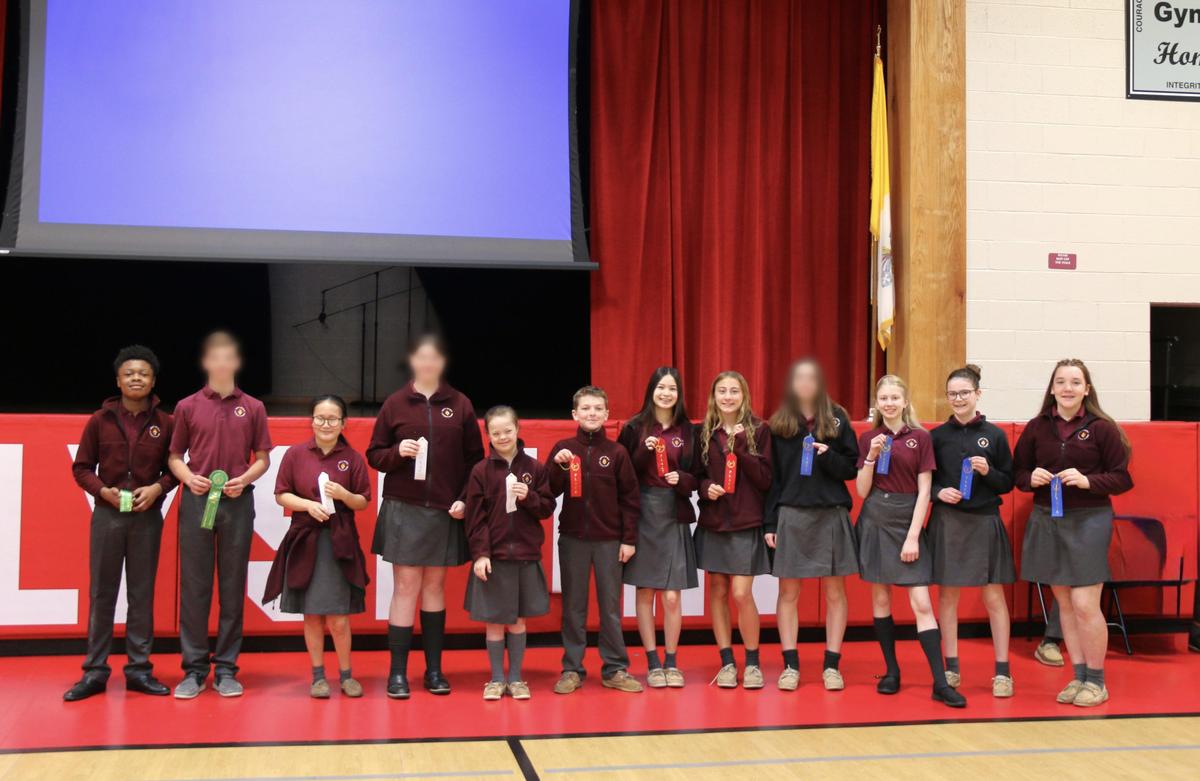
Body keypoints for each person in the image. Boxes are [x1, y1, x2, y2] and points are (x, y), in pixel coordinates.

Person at [367, 334, 484, 699]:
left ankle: (434, 671)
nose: (428, 363)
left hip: (444, 510)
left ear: (442, 362)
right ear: (412, 361)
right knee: (405, 587)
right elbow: (375, 454)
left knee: (434, 587)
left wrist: (463, 499)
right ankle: (397, 673)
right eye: (422, 357)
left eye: (435, 357)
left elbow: (475, 462)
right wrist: (397, 452)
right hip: (404, 508)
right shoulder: (395, 403)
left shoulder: (461, 404)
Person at [1015, 358, 1133, 707]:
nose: (1068, 388)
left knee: (1084, 603)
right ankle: (1078, 676)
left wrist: (1088, 481)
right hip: (1047, 519)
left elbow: (1122, 478)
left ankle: (1097, 681)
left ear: (1086, 389)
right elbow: (1017, 473)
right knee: (1064, 603)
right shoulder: (1037, 427)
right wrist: (1030, 478)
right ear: (1052, 389)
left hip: (1089, 520)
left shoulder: (1102, 429)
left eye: (1075, 382)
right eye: (1061, 382)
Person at [64, 346, 177, 701]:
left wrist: (157, 489)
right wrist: (103, 491)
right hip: (108, 516)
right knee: (102, 593)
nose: (136, 379)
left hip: (147, 517)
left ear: (153, 381)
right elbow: (81, 468)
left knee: (141, 594)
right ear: (118, 380)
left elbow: (176, 469)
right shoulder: (100, 420)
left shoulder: (167, 423)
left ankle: (139, 670)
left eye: (143, 373)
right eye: (129, 374)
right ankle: (95, 672)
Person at [169, 331, 272, 699]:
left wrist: (245, 479)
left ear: (237, 363)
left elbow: (263, 458)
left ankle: (227, 668)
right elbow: (174, 456)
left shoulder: (254, 407)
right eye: (216, 357)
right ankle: (194, 670)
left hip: (237, 503)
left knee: (232, 587)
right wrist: (188, 478)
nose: (222, 363)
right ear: (206, 363)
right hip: (198, 501)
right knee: (194, 587)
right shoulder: (187, 406)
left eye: (229, 357)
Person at [856, 374, 966, 708]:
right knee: (880, 598)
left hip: (907, 521)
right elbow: (862, 491)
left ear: (905, 402)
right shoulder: (869, 438)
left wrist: (913, 537)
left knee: (921, 603)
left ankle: (940, 683)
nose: (889, 403)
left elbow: (924, 491)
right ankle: (891, 671)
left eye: (894, 398)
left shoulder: (920, 438)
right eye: (883, 398)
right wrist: (872, 457)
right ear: (877, 404)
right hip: (875, 519)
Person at [263, 395, 370, 699]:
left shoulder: (353, 457)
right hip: (305, 540)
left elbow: (362, 501)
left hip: (339, 542)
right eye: (320, 418)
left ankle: (347, 676)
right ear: (311, 421)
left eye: (332, 419)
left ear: (343, 423)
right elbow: (281, 494)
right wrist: (308, 505)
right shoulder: (296, 454)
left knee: (338, 617)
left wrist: (344, 495)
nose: (326, 424)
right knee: (311, 615)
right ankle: (318, 676)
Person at [764, 358, 858, 692]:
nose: (805, 383)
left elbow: (851, 468)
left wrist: (828, 455)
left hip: (830, 513)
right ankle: (790, 665)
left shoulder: (838, 418)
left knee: (835, 592)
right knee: (788, 592)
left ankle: (832, 666)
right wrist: (770, 522)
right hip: (791, 515)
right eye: (799, 378)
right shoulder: (779, 424)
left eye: (811, 378)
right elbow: (772, 479)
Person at [546, 386, 644, 694]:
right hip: (573, 539)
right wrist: (557, 466)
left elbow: (630, 500)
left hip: (609, 542)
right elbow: (549, 491)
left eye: (597, 409)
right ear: (574, 414)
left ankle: (614, 668)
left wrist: (628, 539)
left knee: (610, 608)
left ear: (606, 414)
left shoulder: (617, 453)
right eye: (586, 409)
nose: (592, 413)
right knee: (573, 607)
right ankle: (572, 669)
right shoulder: (563, 448)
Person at [929, 365, 1016, 698]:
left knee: (994, 596)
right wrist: (939, 492)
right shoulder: (937, 436)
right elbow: (925, 480)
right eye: (952, 394)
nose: (958, 398)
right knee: (947, 596)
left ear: (978, 394)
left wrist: (988, 471)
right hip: (948, 521)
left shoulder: (995, 435)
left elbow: (1007, 483)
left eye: (964, 392)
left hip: (984, 520)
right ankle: (951, 668)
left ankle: (1003, 672)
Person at [463, 406, 556, 700]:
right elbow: (475, 519)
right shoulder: (480, 471)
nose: (503, 437)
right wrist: (481, 554)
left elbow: (547, 508)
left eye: (508, 431)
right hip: (495, 558)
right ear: (488, 435)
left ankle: (515, 678)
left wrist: (529, 497)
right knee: (494, 620)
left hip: (525, 556)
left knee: (518, 621)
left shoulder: (535, 468)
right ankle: (496, 679)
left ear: (518, 429)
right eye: (496, 433)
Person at [617, 367, 699, 688]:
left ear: (679, 394)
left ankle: (672, 662)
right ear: (651, 390)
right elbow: (623, 475)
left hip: (673, 512)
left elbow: (698, 475)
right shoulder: (634, 428)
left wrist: (683, 479)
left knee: (672, 597)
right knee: (645, 591)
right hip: (642, 513)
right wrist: (643, 451)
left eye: (672, 388)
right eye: (661, 387)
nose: (666, 393)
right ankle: (652, 662)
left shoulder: (688, 431)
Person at [693, 371, 772, 690]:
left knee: (741, 593)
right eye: (722, 391)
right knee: (718, 591)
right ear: (714, 396)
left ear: (744, 395)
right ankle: (726, 662)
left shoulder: (760, 430)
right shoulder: (704, 431)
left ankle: (752, 663)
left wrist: (739, 447)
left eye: (734, 391)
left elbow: (765, 479)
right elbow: (696, 476)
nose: (728, 396)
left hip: (745, 521)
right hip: (714, 522)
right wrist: (706, 488)